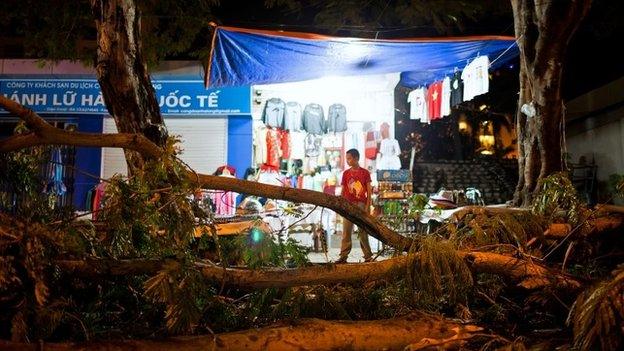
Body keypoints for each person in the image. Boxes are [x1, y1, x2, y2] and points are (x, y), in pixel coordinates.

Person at [335, 149, 374, 263]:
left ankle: (368, 256)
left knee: (362, 230)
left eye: (349, 158)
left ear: (356, 158)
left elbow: (369, 191)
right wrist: (340, 204)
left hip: (361, 204)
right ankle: (343, 256)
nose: (348, 161)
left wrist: (368, 206)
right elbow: (343, 190)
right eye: (347, 158)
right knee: (346, 231)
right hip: (347, 205)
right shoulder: (346, 173)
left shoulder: (365, 173)